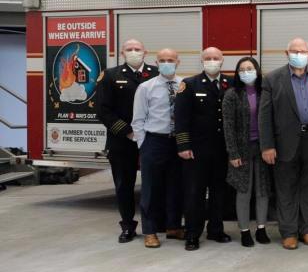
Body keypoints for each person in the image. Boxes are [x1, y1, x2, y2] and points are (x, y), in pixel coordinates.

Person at [259, 37, 308, 250]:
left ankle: (307, 230)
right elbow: (265, 116)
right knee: (285, 188)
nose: (298, 54)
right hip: (284, 143)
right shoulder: (273, 79)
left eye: (303, 51)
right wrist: (267, 145)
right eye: (294, 51)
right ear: (286, 53)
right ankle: (289, 232)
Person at [96, 38, 158, 243]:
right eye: (129, 49)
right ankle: (128, 225)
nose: (134, 52)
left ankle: (155, 223)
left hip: (151, 138)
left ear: (145, 52)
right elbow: (103, 110)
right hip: (122, 140)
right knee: (124, 184)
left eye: (137, 49)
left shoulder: (156, 74)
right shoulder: (110, 76)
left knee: (154, 184)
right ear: (122, 53)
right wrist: (128, 132)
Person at [174, 46, 232, 251]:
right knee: (194, 193)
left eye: (216, 57)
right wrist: (183, 145)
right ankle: (192, 233)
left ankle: (216, 229)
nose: (212, 60)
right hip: (196, 150)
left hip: (221, 150)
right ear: (202, 61)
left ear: (222, 60)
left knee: (219, 192)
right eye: (208, 58)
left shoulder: (230, 84)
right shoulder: (189, 84)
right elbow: (180, 118)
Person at [130, 48, 185, 248]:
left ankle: (173, 226)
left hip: (177, 142)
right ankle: (150, 231)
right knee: (151, 189)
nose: (166, 63)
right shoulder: (146, 87)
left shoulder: (184, 85)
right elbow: (137, 120)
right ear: (156, 62)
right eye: (162, 60)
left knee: (176, 186)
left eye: (170, 59)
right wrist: (143, 145)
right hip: (154, 141)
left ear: (178, 62)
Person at [222, 57, 273, 248]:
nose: (246, 72)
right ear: (237, 73)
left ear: (257, 70)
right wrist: (233, 153)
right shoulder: (232, 94)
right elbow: (228, 126)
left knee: (262, 191)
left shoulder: (265, 92)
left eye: (249, 68)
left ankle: (261, 228)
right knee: (244, 191)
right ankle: (244, 231)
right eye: (241, 69)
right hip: (241, 150)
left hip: (263, 149)